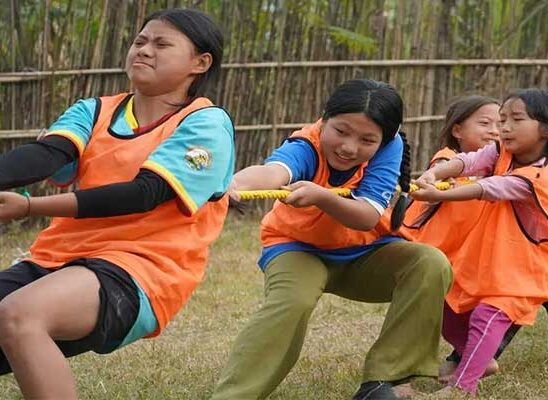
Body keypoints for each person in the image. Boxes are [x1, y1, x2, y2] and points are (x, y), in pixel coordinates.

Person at [0, 8, 233, 399]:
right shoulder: (93, 110)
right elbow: (45, 156)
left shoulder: (206, 124)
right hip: (54, 259)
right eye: (140, 41)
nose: (144, 50)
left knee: (21, 314)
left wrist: (28, 208)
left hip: (140, 270)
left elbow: (143, 195)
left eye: (162, 44)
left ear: (200, 62)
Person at [211, 79, 452, 400]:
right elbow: (274, 173)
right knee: (292, 301)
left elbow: (366, 215)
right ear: (324, 120)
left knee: (429, 263)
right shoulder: (305, 145)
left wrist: (322, 197)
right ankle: (234, 396)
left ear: (385, 139)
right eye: (340, 131)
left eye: (367, 139)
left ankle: (384, 380)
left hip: (366, 251)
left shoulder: (390, 148)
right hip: (297, 248)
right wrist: (235, 181)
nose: (349, 147)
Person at [410, 88, 548, 395]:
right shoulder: (502, 151)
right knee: (443, 301)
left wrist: (440, 193)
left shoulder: (538, 177)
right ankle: (480, 360)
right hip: (497, 258)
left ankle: (462, 386)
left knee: (489, 315)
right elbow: (470, 161)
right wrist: (437, 173)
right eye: (502, 119)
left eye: (516, 119)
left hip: (531, 268)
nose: (504, 127)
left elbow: (489, 187)